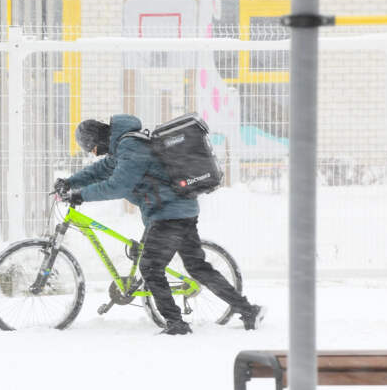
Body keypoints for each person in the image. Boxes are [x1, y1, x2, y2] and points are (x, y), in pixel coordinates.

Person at [55, 114, 266, 335]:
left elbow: (118, 185)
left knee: (150, 268)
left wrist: (81, 195)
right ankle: (248, 310)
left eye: (94, 149)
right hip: (179, 211)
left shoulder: (130, 146)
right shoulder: (125, 146)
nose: (95, 154)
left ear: (99, 139)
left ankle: (176, 323)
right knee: (197, 267)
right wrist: (70, 182)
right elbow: (100, 170)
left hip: (168, 215)